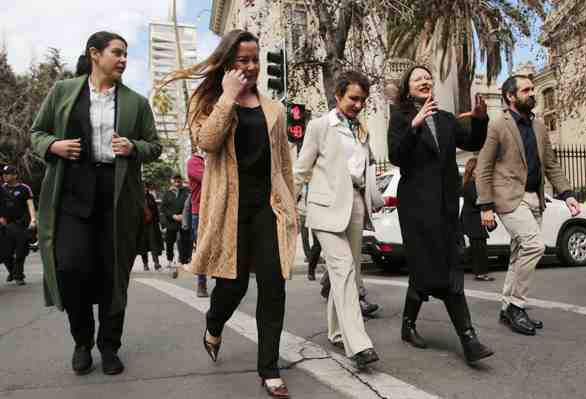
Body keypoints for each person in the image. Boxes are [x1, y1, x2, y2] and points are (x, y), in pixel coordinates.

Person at [163, 29, 297, 398]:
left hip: (268, 208)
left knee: (274, 285)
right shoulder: (209, 100)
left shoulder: (274, 109)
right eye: (243, 60)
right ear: (228, 63)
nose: (252, 67)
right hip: (229, 209)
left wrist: (291, 206)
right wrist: (228, 96)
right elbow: (206, 141)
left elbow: (283, 164)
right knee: (233, 285)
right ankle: (214, 323)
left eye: (255, 59)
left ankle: (269, 368)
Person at [30, 31, 162, 375]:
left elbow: (155, 145)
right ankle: (82, 340)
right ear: (94, 54)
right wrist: (54, 146)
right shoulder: (63, 91)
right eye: (116, 53)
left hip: (117, 196)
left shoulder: (135, 101)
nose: (122, 59)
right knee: (71, 268)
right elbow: (37, 132)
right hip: (73, 193)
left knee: (113, 275)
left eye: (125, 54)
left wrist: (134, 147)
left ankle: (109, 345)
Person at [388, 65, 494, 366]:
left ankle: (408, 325)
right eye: (417, 78)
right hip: (417, 209)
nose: (425, 81)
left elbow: (473, 142)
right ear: (408, 89)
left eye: (427, 77)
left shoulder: (447, 120)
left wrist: (481, 118)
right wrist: (415, 127)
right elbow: (396, 155)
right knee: (441, 271)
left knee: (438, 267)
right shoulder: (401, 117)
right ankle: (468, 338)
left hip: (447, 207)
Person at [475, 74, 581, 336]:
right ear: (511, 96)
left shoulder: (539, 126)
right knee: (535, 245)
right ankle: (517, 306)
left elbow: (552, 164)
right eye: (526, 90)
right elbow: (484, 166)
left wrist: (567, 193)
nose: (532, 93)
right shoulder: (499, 124)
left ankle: (505, 308)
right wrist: (485, 205)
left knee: (518, 253)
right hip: (510, 197)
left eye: (533, 89)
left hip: (536, 197)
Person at [294, 70, 384, 369]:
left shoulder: (362, 130)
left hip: (355, 205)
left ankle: (335, 331)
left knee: (346, 273)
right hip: (326, 208)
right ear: (338, 96)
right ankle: (359, 344)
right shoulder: (320, 126)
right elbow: (302, 169)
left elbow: (363, 167)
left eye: (363, 100)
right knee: (343, 269)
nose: (358, 105)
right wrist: (286, 206)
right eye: (353, 99)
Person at [1, 165, 36, 285]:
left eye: (8, 173)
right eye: (4, 174)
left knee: (21, 250)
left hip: (22, 224)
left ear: (15, 175)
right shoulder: (2, 188)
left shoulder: (24, 188)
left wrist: (33, 219)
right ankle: (13, 272)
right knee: (5, 252)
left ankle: (18, 275)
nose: (5, 176)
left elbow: (30, 204)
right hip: (6, 224)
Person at [460, 158, 494, 282]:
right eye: (478, 168)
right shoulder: (470, 184)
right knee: (479, 248)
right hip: (472, 219)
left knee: (480, 247)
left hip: (475, 219)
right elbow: (477, 201)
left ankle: (481, 272)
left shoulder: (475, 183)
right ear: (473, 170)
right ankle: (480, 273)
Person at [187, 150, 208, 297]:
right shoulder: (194, 161)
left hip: (217, 209)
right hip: (200, 211)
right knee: (202, 247)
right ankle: (202, 283)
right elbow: (209, 180)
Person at [160, 175, 190, 270]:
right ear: (172, 181)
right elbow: (163, 208)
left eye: (179, 180)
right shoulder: (167, 193)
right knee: (169, 242)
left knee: (185, 241)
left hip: (183, 220)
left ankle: (183, 261)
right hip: (171, 221)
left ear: (181, 181)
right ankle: (169, 260)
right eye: (175, 181)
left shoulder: (187, 192)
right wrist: (173, 216)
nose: (177, 182)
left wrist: (183, 215)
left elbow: (190, 204)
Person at [137, 183, 163, 271]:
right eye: (143, 187)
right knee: (143, 245)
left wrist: (158, 222)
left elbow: (156, 210)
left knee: (153, 243)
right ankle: (145, 264)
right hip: (141, 225)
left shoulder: (151, 197)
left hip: (152, 224)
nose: (145, 189)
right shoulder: (137, 197)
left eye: (146, 187)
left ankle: (156, 263)